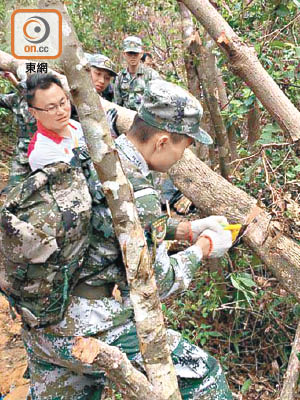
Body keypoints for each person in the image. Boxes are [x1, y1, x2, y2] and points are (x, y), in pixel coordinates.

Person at [0, 79, 233, 399]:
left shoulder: (84, 154)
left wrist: (186, 229)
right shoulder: (138, 191)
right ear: (162, 142)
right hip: (91, 335)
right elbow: (157, 283)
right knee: (204, 375)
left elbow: (102, 225)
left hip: (41, 325)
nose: (183, 155)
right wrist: (203, 249)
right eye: (185, 146)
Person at [26, 73, 86, 171]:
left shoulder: (74, 125)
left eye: (62, 103)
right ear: (34, 112)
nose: (61, 111)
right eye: (51, 108)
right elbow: (77, 178)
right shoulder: (41, 152)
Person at [0, 71, 36, 188]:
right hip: (22, 154)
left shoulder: (46, 102)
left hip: (44, 152)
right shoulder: (15, 99)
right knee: (13, 189)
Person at [114, 36, 161, 111]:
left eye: (135, 53)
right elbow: (117, 104)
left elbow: (159, 102)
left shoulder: (152, 75)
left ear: (141, 54)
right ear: (124, 54)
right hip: (126, 118)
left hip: (145, 119)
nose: (133, 57)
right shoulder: (120, 77)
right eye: (130, 53)